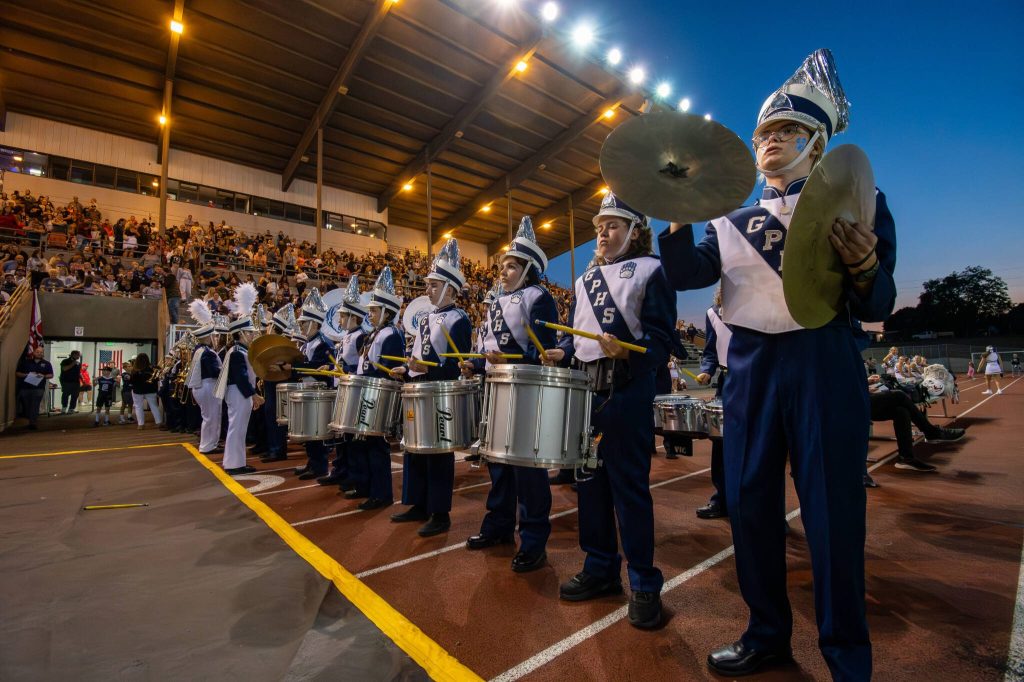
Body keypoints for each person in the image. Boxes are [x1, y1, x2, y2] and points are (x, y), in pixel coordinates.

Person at [658, 50, 896, 678]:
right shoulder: (729, 218)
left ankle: (847, 656)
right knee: (749, 504)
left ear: (817, 141)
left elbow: (881, 298)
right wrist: (678, 217)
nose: (770, 141)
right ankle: (766, 633)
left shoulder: (859, 197)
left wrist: (867, 267)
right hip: (752, 367)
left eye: (786, 131)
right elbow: (687, 274)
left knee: (833, 514)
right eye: (764, 132)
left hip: (825, 361)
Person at [545, 191, 675, 629]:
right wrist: (561, 352)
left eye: (612, 225)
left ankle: (643, 581)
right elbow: (576, 336)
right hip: (587, 393)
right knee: (590, 486)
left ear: (635, 231)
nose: (601, 232)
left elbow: (662, 340)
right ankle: (600, 568)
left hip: (627, 391)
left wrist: (627, 354)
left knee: (629, 490)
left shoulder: (654, 270)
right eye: (599, 226)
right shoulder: (584, 281)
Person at [460, 217, 558, 573]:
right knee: (498, 466)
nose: (502, 271)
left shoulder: (539, 297)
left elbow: (547, 351)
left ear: (528, 268)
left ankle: (534, 541)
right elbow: (486, 345)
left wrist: (514, 358)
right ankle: (498, 527)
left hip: (524, 389)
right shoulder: (494, 303)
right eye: (501, 266)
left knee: (527, 471)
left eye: (511, 266)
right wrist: (473, 363)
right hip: (495, 386)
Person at [390, 240, 472, 537]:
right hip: (420, 387)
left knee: (437, 453)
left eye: (434, 286)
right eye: (429, 285)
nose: (428, 291)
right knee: (415, 449)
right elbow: (420, 356)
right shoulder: (426, 319)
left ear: (450, 289)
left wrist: (429, 369)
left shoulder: (459, 319)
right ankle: (418, 503)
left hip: (440, 391)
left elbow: (457, 366)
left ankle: (440, 512)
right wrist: (408, 369)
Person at [348, 269, 404, 509]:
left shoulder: (392, 334)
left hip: (378, 394)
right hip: (366, 390)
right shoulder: (374, 334)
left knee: (375, 445)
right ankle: (365, 486)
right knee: (361, 442)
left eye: (373, 311)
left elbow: (388, 369)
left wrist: (369, 377)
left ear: (386, 311)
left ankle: (381, 494)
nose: (369, 315)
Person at [867, 375, 965, 472]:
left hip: (862, 399)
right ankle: (931, 432)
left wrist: (867, 382)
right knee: (899, 395)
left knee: (901, 411)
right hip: (857, 405)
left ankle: (906, 457)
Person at [214, 283, 262, 475]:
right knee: (237, 428)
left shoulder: (239, 350)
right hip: (239, 393)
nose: (252, 335)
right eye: (249, 332)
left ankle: (236, 462)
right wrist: (254, 395)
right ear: (241, 333)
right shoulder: (236, 352)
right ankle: (234, 464)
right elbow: (242, 378)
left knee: (239, 429)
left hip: (239, 393)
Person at [289, 289, 334, 480]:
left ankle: (320, 466)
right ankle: (312, 463)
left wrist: (294, 366)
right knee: (309, 432)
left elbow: (316, 367)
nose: (301, 326)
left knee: (316, 433)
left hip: (319, 393)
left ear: (315, 323)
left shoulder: (323, 343)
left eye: (304, 323)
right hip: (308, 391)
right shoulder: (309, 342)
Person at [694, 289, 730, 519]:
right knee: (720, 444)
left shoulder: (756, 306)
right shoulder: (713, 313)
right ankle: (722, 499)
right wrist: (707, 371)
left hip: (759, 379)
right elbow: (710, 352)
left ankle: (771, 512)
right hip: (728, 382)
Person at [187, 300, 224, 454]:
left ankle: (211, 443)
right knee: (211, 417)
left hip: (203, 386)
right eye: (212, 336)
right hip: (207, 385)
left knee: (211, 417)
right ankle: (207, 445)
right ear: (207, 337)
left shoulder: (200, 351)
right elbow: (214, 371)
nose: (214, 338)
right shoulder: (206, 353)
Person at [16, 346, 54, 430]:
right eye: (37, 352)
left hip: (38, 388)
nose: (39, 353)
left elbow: (51, 375)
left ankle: (32, 423)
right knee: (26, 406)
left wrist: (43, 376)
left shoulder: (47, 364)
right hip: (25, 388)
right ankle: (29, 419)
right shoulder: (26, 362)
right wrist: (27, 374)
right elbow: (18, 373)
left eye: (41, 352)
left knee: (35, 405)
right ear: (33, 352)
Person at [129, 354, 162, 429]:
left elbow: (131, 381)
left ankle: (141, 424)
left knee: (138, 407)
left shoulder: (134, 370)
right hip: (151, 390)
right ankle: (159, 422)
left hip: (138, 390)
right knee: (154, 406)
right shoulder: (153, 368)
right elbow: (157, 379)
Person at [58, 350, 83, 414]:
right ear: (73, 354)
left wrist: (82, 379)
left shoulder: (78, 363)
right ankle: (64, 408)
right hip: (66, 382)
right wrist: (73, 363)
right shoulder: (65, 361)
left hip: (76, 382)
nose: (79, 356)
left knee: (75, 395)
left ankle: (71, 409)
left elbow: (78, 372)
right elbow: (64, 369)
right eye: (78, 355)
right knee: (65, 395)